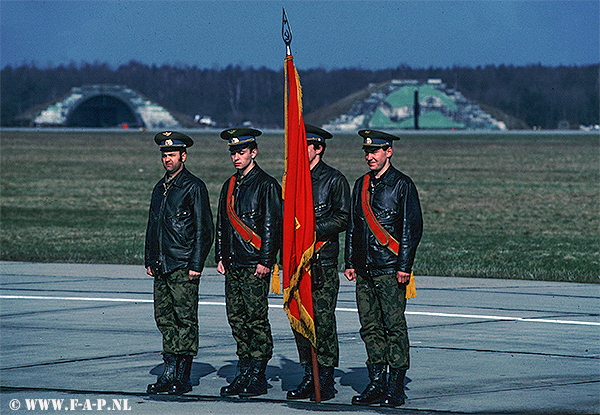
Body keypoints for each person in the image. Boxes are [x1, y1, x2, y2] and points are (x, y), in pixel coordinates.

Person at [344, 129, 423, 407]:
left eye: (375, 151)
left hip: (390, 269)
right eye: (366, 152)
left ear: (388, 152)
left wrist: (404, 265)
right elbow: (354, 227)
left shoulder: (402, 184)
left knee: (394, 327)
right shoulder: (361, 184)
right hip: (365, 269)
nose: (369, 157)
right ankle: (377, 382)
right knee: (370, 327)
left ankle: (395, 386)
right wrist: (350, 261)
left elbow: (411, 229)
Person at [145, 131, 214, 395]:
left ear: (183, 157)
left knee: (185, 319)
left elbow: (203, 228)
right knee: (165, 318)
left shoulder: (193, 186)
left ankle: (182, 376)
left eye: (172, 155)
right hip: (162, 264)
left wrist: (196, 263)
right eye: (164, 155)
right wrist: (149, 258)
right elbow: (153, 226)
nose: (167, 159)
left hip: (182, 263)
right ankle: (169, 370)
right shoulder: (159, 188)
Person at [215, 128, 283, 397]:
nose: (236, 157)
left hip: (255, 264)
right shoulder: (229, 185)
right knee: (237, 319)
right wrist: (220, 256)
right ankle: (244, 368)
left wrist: (266, 260)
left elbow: (271, 226)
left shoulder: (266, 184)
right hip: (234, 264)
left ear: (253, 152)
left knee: (256, 319)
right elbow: (222, 225)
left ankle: (258, 372)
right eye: (233, 152)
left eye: (241, 152)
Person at [286, 125, 350, 401]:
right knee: (301, 321)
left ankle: (324, 378)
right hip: (299, 266)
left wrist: (311, 229)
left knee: (322, 323)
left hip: (321, 263)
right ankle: (308, 375)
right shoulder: (293, 179)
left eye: (305, 146)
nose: (300, 151)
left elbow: (343, 218)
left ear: (318, 148)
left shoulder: (334, 180)